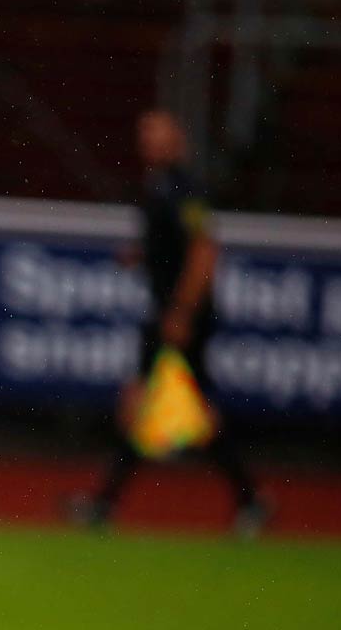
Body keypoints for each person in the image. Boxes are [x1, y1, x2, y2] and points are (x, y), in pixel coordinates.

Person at [67, 110, 271, 536]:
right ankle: (248, 501)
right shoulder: (159, 186)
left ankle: (105, 505)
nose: (149, 142)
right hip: (168, 314)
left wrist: (181, 311)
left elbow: (204, 251)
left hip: (180, 318)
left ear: (178, 140)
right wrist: (141, 256)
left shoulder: (184, 189)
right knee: (165, 409)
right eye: (145, 135)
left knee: (148, 407)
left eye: (158, 135)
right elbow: (173, 245)